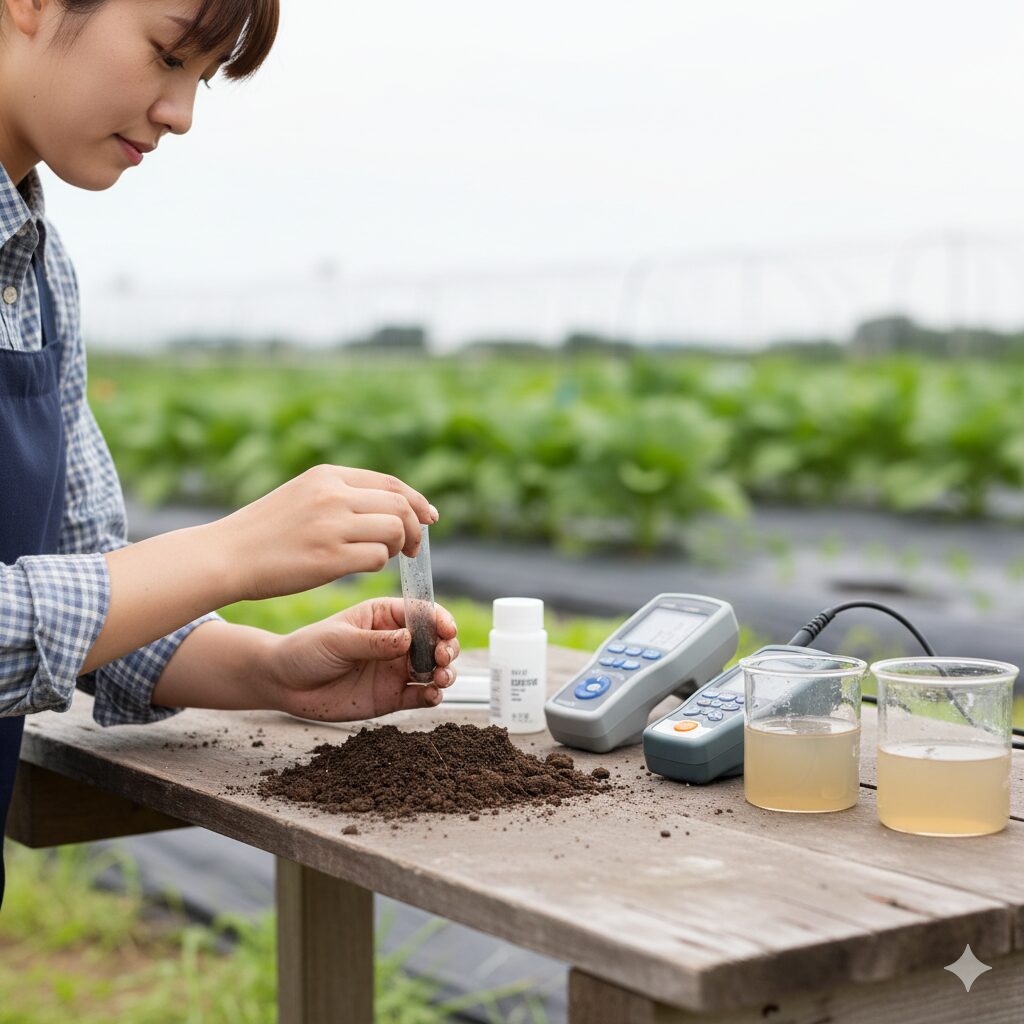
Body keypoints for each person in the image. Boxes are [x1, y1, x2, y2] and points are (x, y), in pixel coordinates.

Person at [0, 0, 459, 908]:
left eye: (200, 77)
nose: (181, 114)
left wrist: (267, 669)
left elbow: (93, 586)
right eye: (168, 55)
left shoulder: (40, 272)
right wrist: (228, 554)